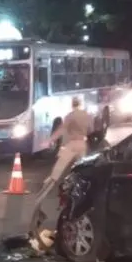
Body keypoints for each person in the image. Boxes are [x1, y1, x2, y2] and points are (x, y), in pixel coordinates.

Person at [32, 96, 95, 224]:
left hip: (71, 145)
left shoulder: (70, 116)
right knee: (82, 173)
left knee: (55, 175)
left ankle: (39, 202)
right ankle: (80, 200)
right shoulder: (88, 115)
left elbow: (61, 130)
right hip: (82, 145)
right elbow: (91, 131)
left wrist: (49, 141)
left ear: (72, 104)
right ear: (81, 104)